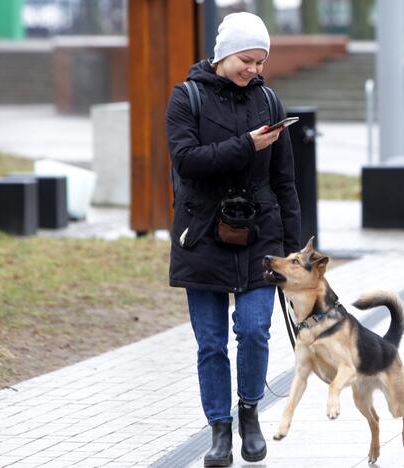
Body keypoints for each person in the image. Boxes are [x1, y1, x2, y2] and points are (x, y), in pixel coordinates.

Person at [165, 11, 301, 468]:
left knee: (254, 330)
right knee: (210, 342)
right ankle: (219, 430)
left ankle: (250, 416)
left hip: (262, 235)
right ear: (224, 55)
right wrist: (247, 145)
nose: (255, 70)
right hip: (201, 233)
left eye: (261, 62)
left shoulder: (270, 102)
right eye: (247, 59)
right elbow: (187, 161)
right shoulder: (186, 98)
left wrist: (294, 252)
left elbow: (285, 183)